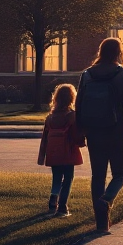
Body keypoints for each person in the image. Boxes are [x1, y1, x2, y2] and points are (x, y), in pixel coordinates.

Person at [76, 37, 123, 233]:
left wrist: (80, 130)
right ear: (118, 53)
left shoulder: (87, 75)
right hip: (116, 130)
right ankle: (107, 199)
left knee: (98, 176)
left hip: (93, 131)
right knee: (119, 174)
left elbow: (79, 104)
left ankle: (101, 224)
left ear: (101, 52)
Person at [37, 83, 85, 217]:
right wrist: (82, 142)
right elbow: (76, 135)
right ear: (71, 98)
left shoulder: (50, 118)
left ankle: (53, 201)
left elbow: (44, 138)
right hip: (68, 151)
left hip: (53, 152)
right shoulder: (71, 116)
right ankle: (62, 207)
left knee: (56, 177)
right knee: (68, 178)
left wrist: (42, 156)